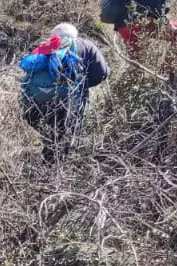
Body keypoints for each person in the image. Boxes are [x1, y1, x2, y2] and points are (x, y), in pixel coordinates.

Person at [18, 23, 109, 165]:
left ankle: (45, 167)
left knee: (50, 137)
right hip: (68, 102)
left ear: (54, 36)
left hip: (36, 103)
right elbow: (102, 73)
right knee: (63, 141)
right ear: (75, 36)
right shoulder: (86, 46)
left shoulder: (44, 48)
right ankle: (52, 176)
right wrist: (83, 85)